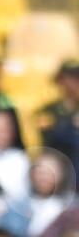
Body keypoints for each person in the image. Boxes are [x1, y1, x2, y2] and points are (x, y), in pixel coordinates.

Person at [36, 59, 79, 188]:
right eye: (69, 78)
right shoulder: (48, 111)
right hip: (59, 170)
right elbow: (48, 142)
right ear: (60, 80)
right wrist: (71, 127)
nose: (74, 83)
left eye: (76, 78)